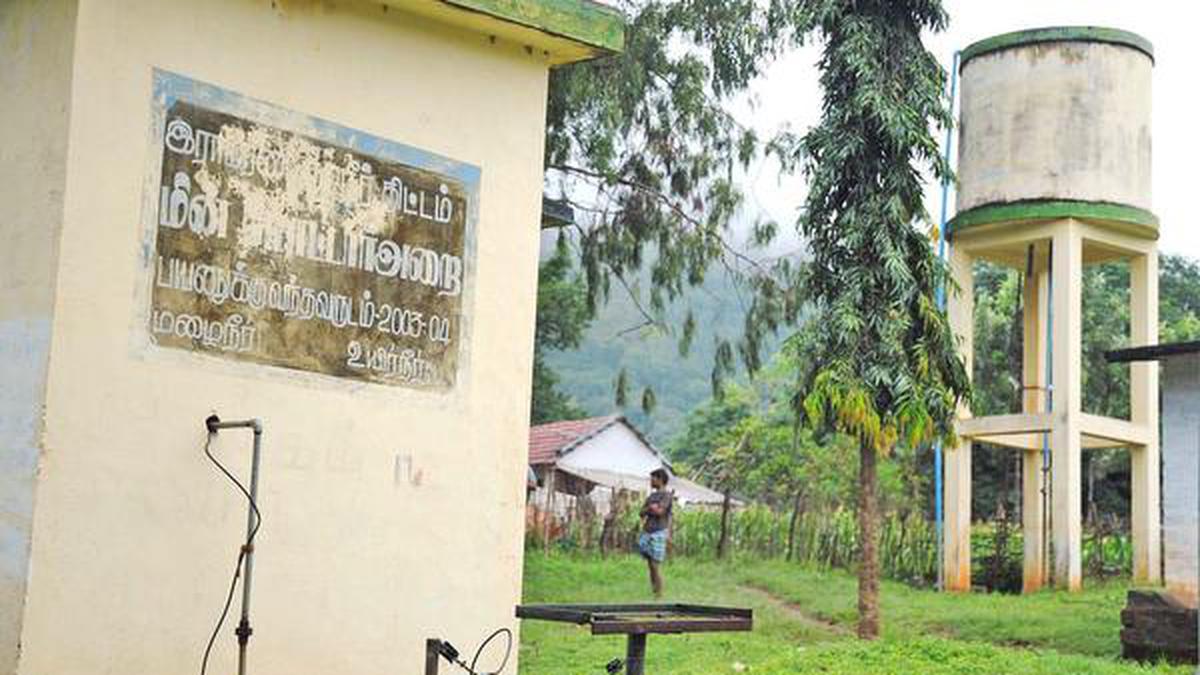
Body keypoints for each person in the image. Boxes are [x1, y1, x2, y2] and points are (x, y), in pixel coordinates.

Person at [637, 468, 673, 598]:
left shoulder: (666, 495)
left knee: (654, 564)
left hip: (658, 531)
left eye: (653, 478)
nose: (651, 481)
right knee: (650, 565)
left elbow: (660, 512)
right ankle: (655, 592)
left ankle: (659, 594)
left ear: (660, 479)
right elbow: (641, 513)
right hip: (647, 531)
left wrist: (652, 509)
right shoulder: (651, 496)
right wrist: (651, 508)